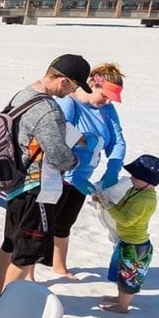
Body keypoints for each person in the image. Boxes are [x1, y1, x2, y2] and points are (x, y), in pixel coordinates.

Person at [0, 54, 87, 300]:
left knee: (10, 243)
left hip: (14, 182)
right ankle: (2, 305)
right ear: (63, 80)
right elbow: (57, 153)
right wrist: (75, 160)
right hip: (36, 186)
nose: (73, 92)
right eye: (75, 86)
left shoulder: (22, 95)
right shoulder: (48, 108)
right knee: (27, 252)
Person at [53, 62, 127, 278]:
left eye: (111, 99)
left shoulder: (107, 110)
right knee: (47, 221)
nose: (107, 102)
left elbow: (118, 141)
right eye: (105, 96)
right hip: (60, 176)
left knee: (65, 222)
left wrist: (112, 169)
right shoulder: (70, 103)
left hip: (83, 177)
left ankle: (58, 265)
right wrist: (83, 144)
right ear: (93, 84)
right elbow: (58, 133)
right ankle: (44, 263)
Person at [95, 154, 159, 315]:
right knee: (122, 273)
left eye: (135, 176)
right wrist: (106, 203)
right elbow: (121, 208)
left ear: (148, 180)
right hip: (125, 241)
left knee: (130, 279)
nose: (131, 178)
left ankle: (123, 307)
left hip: (137, 245)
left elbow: (126, 220)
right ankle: (120, 299)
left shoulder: (146, 200)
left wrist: (109, 207)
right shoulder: (135, 190)